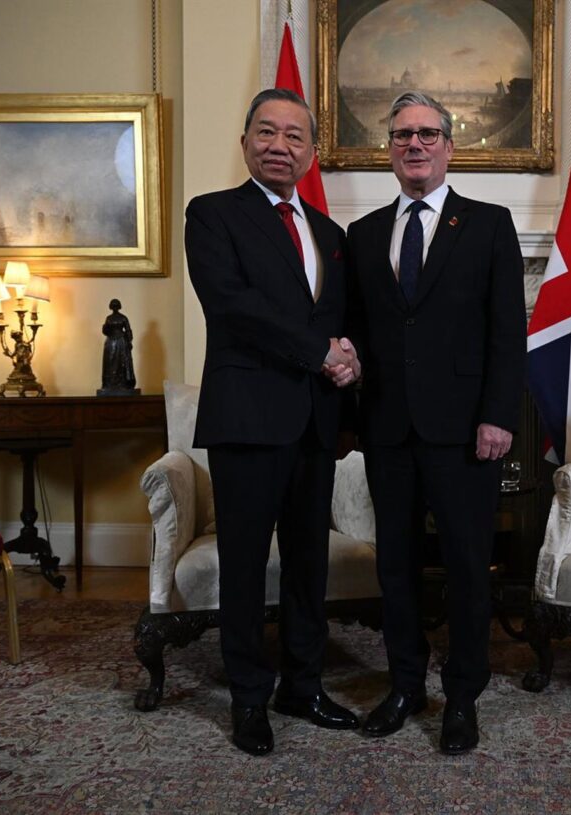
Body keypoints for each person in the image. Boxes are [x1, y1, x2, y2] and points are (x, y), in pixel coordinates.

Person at [345, 91, 527, 754]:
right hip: (388, 430)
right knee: (394, 567)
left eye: (426, 134)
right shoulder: (363, 236)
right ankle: (404, 685)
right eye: (401, 136)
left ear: (450, 147)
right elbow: (358, 334)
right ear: (388, 149)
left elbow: (509, 331)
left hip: (465, 434)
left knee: (466, 567)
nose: (413, 145)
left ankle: (463, 696)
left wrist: (498, 416)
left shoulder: (488, 225)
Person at [184, 88, 361, 757]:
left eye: (294, 136)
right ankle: (248, 697)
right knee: (246, 566)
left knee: (307, 567)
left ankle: (303, 686)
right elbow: (234, 307)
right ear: (245, 141)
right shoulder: (212, 215)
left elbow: (340, 321)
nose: (279, 145)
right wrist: (321, 352)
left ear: (311, 151)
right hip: (248, 420)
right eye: (267, 131)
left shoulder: (330, 234)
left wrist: (349, 358)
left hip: (316, 424)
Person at [98, 299, 139, 395]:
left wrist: (129, 341)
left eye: (115, 305)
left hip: (118, 342)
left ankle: (122, 384)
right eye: (114, 305)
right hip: (115, 342)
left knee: (120, 362)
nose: (115, 307)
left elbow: (128, 330)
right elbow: (106, 331)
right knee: (111, 363)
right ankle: (110, 384)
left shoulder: (120, 318)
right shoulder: (116, 318)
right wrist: (129, 340)